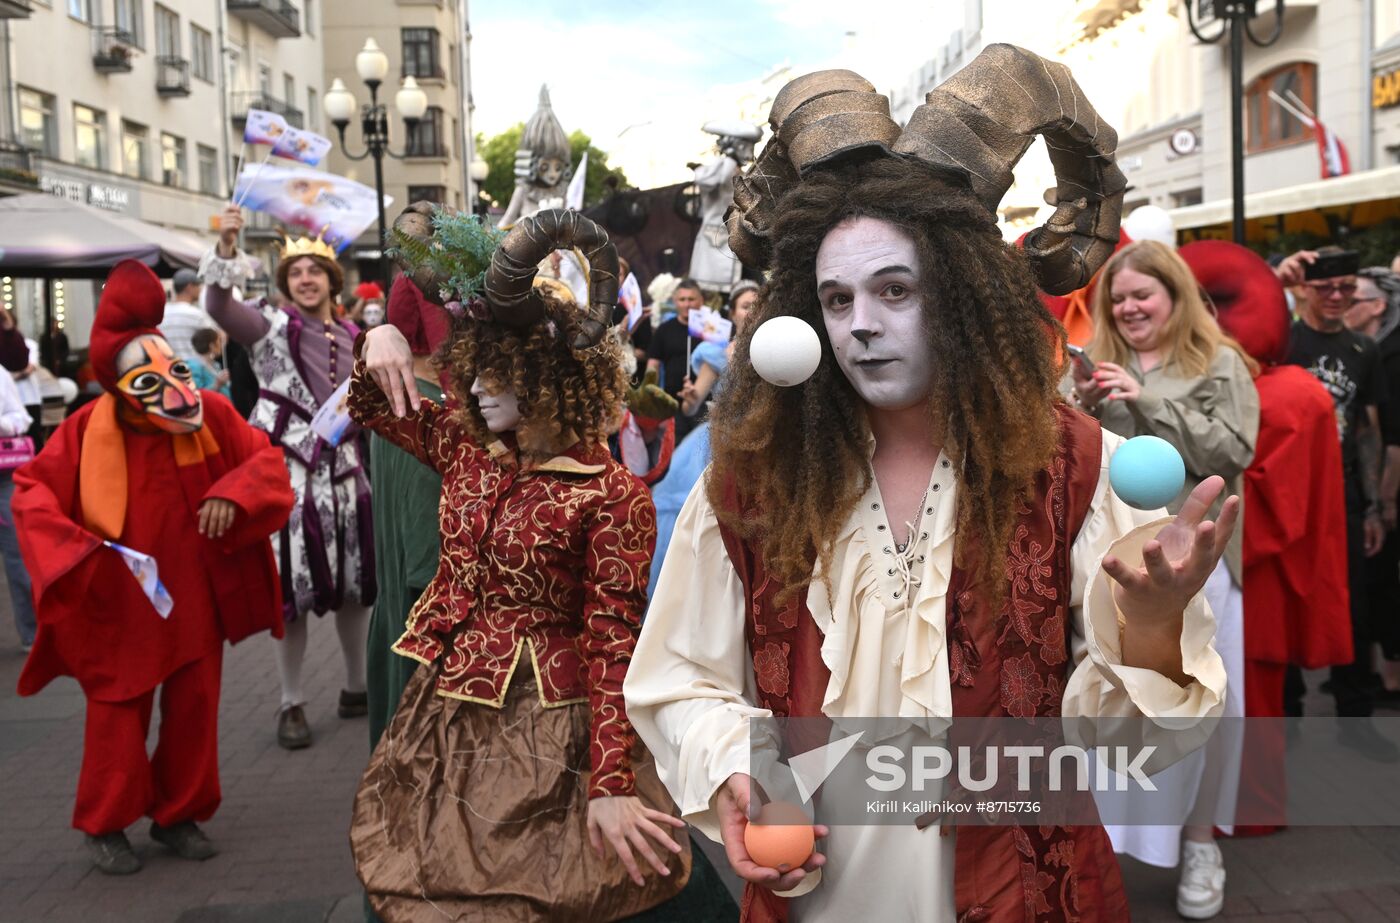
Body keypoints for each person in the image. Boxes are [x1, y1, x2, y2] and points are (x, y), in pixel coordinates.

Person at [624, 48, 1231, 923]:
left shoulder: (1076, 465)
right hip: (819, 891)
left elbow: (1137, 744)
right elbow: (680, 677)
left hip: (1027, 889)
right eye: (837, 300)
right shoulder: (753, 480)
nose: (862, 324)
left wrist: (1153, 623)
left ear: (964, 296)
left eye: (895, 289)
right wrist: (740, 768)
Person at [348, 206, 734, 921]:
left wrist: (612, 778)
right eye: (474, 368)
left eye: (504, 372)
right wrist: (383, 334)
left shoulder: (612, 495)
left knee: (577, 882)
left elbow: (614, 640)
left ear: (552, 378)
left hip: (556, 724)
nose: (476, 387)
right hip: (450, 709)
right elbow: (375, 400)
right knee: (431, 870)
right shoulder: (464, 449)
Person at [12, 260, 293, 875]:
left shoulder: (210, 416)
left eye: (172, 369)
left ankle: (178, 815)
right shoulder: (86, 430)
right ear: (116, 382)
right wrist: (75, 551)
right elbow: (32, 492)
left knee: (195, 706)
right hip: (120, 601)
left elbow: (264, 462)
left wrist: (234, 493)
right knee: (117, 713)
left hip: (193, 595)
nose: (167, 387)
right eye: (146, 376)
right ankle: (105, 823)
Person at [1070, 240, 1259, 919]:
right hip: (1115, 562)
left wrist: (1146, 399)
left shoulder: (1219, 362)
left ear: (1175, 296)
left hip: (1199, 565)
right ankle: (1103, 851)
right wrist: (1084, 407)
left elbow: (1232, 450)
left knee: (1208, 708)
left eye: (1142, 293)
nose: (1127, 307)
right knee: (1117, 702)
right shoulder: (1093, 365)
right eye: (1117, 297)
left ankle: (1201, 842)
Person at [1178, 240, 1351, 839]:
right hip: (1252, 567)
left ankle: (1242, 813)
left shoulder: (1285, 395)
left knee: (1242, 691)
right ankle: (1231, 811)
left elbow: (1268, 503)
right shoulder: (1290, 390)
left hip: (1250, 569)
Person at [201, 203, 375, 751]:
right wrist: (227, 247)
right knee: (290, 592)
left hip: (347, 475)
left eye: (314, 271)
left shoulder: (355, 335)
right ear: (285, 282)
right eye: (296, 272)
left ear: (330, 280)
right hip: (289, 480)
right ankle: (290, 701)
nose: (305, 279)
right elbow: (219, 306)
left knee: (356, 588)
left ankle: (356, 687)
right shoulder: (268, 327)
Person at [1274, 247, 1398, 756]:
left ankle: (1355, 717)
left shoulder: (1363, 350)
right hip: (1287, 491)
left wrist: (1375, 506)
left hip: (1342, 495)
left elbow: (1369, 431)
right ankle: (1287, 721)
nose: (1337, 297)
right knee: (1284, 599)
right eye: (1326, 288)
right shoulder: (1283, 341)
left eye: (1347, 288)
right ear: (1305, 289)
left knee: (1354, 603)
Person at [1347, 268, 1400, 699]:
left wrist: (1383, 502)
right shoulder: (1371, 349)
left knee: (1382, 585)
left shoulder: (1387, 354)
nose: (1342, 303)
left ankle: (1389, 677)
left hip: (1387, 492)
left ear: (1377, 306)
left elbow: (1390, 438)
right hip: (1372, 491)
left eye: (1352, 298)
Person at [679, 279, 757, 419]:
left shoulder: (772, 350)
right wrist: (690, 401)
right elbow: (689, 409)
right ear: (732, 314)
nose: (753, 312)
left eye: (758, 307)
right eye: (746, 307)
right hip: (728, 433)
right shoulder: (716, 353)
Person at [0, 365, 35, 650]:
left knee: (17, 556)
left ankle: (33, 634)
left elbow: (20, 417)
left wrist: (3, 425)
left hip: (2, 476)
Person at [645, 278, 705, 441]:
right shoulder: (664, 330)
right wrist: (651, 397)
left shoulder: (711, 329)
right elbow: (653, 366)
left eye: (691, 299)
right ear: (675, 301)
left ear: (701, 301)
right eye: (682, 299)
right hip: (672, 405)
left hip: (705, 404)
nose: (687, 304)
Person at [159, 268, 212, 363]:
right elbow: (211, 343)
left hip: (168, 369)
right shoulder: (196, 314)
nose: (200, 289)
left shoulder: (162, 313)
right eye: (198, 286)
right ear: (189, 287)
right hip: (193, 372)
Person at [188, 328, 232, 399]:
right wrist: (217, 384)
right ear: (212, 346)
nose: (221, 345)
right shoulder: (194, 367)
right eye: (219, 341)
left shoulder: (214, 364)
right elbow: (197, 394)